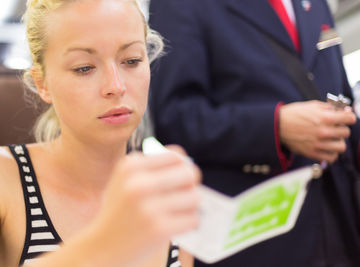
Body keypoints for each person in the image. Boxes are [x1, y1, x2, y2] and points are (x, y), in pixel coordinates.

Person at [0, 0, 202, 266]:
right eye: (84, 68)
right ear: (43, 84)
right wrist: (105, 239)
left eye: (132, 61)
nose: (116, 86)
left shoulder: (169, 195)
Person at [148, 0, 360, 266]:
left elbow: (340, 93)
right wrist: (275, 127)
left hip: (341, 217)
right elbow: (175, 117)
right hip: (255, 236)